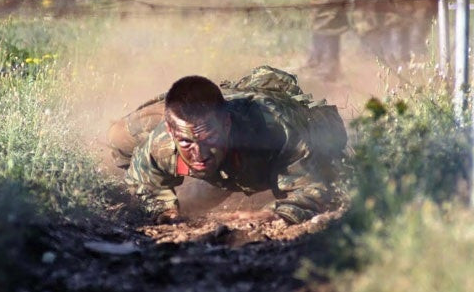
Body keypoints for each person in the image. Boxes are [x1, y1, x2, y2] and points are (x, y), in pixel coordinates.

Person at [107, 66, 348, 224]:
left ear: (226, 124)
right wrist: (163, 210)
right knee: (118, 136)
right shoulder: (162, 141)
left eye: (208, 139)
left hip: (277, 131)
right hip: (224, 146)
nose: (198, 153)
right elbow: (144, 182)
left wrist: (275, 214)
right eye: (186, 142)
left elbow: (315, 187)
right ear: (171, 131)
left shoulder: (280, 131)